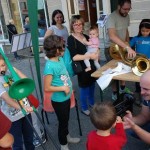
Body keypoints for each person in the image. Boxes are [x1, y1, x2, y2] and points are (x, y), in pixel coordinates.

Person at [43, 35, 80, 150]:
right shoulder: (49, 67)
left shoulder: (59, 59)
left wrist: (68, 87)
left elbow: (63, 76)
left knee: (66, 120)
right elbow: (47, 87)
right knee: (62, 123)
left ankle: (67, 136)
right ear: (56, 50)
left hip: (66, 97)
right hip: (59, 100)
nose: (64, 49)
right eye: (62, 48)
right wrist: (63, 88)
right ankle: (63, 145)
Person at [0, 54, 34, 150]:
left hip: (25, 112)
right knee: (17, 144)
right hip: (12, 118)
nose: (1, 69)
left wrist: (16, 71)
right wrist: (24, 108)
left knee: (29, 138)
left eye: (3, 65)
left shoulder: (9, 73)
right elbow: (7, 99)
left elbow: (27, 82)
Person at [105, 0, 136, 101]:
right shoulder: (112, 17)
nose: (127, 11)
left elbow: (126, 29)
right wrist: (127, 47)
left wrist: (128, 43)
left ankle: (122, 89)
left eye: (129, 9)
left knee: (123, 68)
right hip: (112, 48)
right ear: (119, 6)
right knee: (114, 72)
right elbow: (112, 35)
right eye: (125, 9)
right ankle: (115, 93)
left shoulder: (126, 15)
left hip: (123, 46)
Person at [67, 15, 98, 116]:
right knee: (84, 88)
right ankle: (84, 107)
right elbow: (74, 57)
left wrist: (97, 54)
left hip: (91, 65)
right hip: (82, 68)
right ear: (72, 25)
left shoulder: (87, 36)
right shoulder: (71, 39)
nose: (78, 26)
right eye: (75, 24)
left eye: (80, 24)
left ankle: (92, 103)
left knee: (92, 85)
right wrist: (90, 55)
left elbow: (95, 47)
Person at [123, 70, 150, 144]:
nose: (141, 92)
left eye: (146, 89)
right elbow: (145, 116)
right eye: (141, 87)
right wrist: (129, 121)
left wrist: (134, 127)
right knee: (130, 129)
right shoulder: (147, 97)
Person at [130, 19, 150, 93]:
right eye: (143, 31)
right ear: (139, 30)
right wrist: (130, 50)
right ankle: (138, 93)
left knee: (148, 80)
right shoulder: (136, 38)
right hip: (138, 63)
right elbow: (128, 46)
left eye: (147, 31)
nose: (145, 33)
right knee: (138, 80)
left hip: (149, 62)